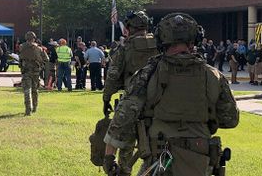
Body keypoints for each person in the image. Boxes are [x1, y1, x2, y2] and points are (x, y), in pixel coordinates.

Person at [103, 13, 239, 176]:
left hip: (160, 161)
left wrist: (109, 158)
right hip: (201, 162)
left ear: (162, 40)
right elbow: (230, 119)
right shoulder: (214, 75)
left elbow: (123, 118)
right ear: (194, 40)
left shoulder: (148, 74)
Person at [101, 10, 158, 176]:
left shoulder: (125, 47)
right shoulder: (160, 44)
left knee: (125, 144)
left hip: (133, 102)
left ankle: (125, 170)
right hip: (159, 103)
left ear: (128, 28)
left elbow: (113, 76)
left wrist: (106, 99)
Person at [19, 31, 48, 116]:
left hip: (26, 71)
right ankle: (35, 107)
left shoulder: (22, 47)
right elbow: (46, 59)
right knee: (35, 90)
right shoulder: (39, 48)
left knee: (27, 90)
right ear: (34, 38)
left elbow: (20, 58)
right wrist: (41, 65)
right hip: (36, 71)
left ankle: (28, 109)